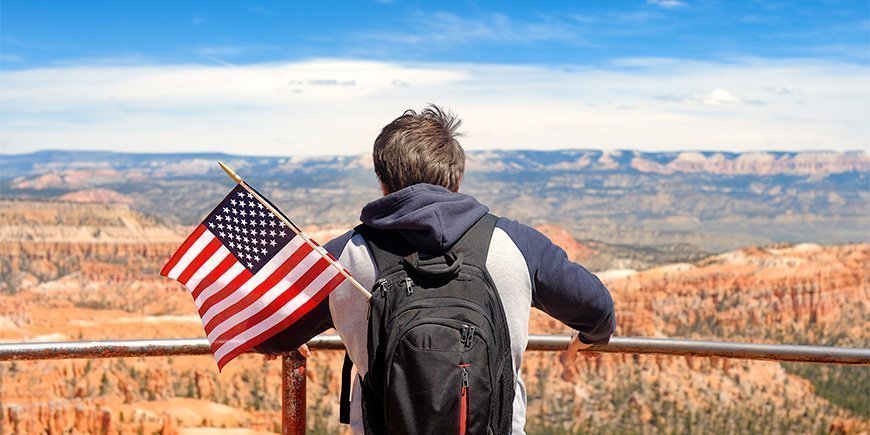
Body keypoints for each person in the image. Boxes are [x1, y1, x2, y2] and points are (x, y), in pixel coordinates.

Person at [256, 105, 616, 434]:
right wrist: (584, 340)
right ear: (456, 179)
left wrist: (294, 337)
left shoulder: (345, 257)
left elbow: (269, 330)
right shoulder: (516, 245)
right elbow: (598, 310)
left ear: (382, 180)